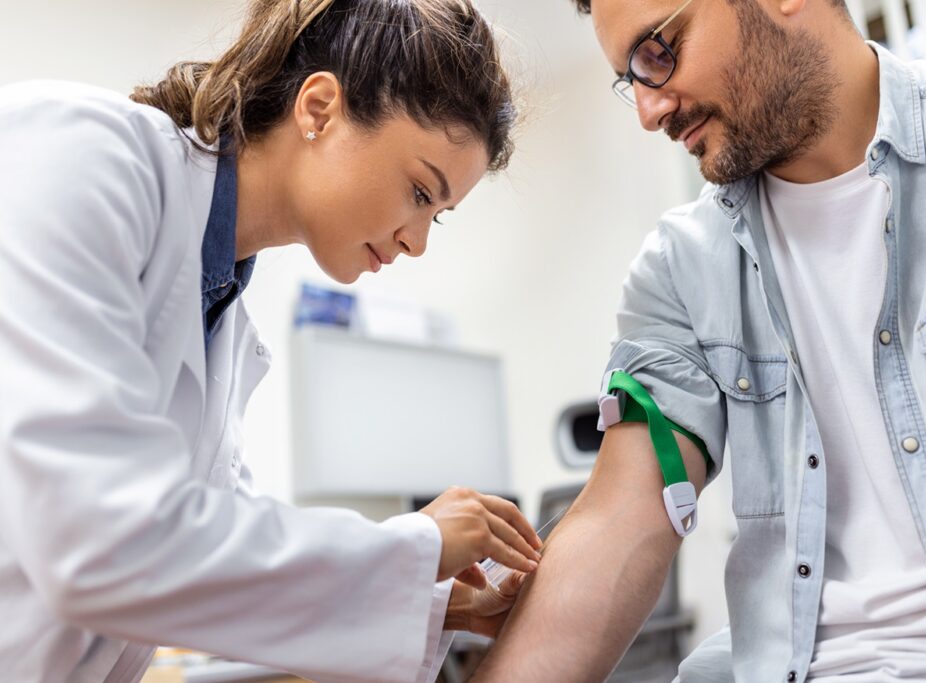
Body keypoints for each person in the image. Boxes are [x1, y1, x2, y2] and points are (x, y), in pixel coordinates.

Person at [470, 0, 926, 682]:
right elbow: (619, 517)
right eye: (629, 79)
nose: (648, 111)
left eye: (658, 51)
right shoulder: (679, 270)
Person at [0, 1, 543, 681]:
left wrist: (432, 600)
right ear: (319, 108)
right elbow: (100, 543)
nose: (417, 240)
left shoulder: (219, 310)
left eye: (439, 215)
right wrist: (415, 546)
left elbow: (208, 556)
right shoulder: (80, 155)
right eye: (416, 190)